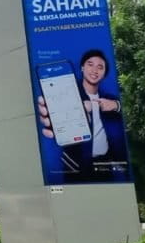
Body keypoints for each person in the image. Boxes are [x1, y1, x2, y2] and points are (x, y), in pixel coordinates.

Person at [37, 48, 129, 181]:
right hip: (75, 166)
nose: (94, 70)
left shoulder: (110, 98)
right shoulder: (67, 93)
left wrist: (116, 105)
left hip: (103, 166)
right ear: (82, 67)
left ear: (104, 73)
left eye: (100, 67)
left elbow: (131, 111)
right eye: (90, 64)